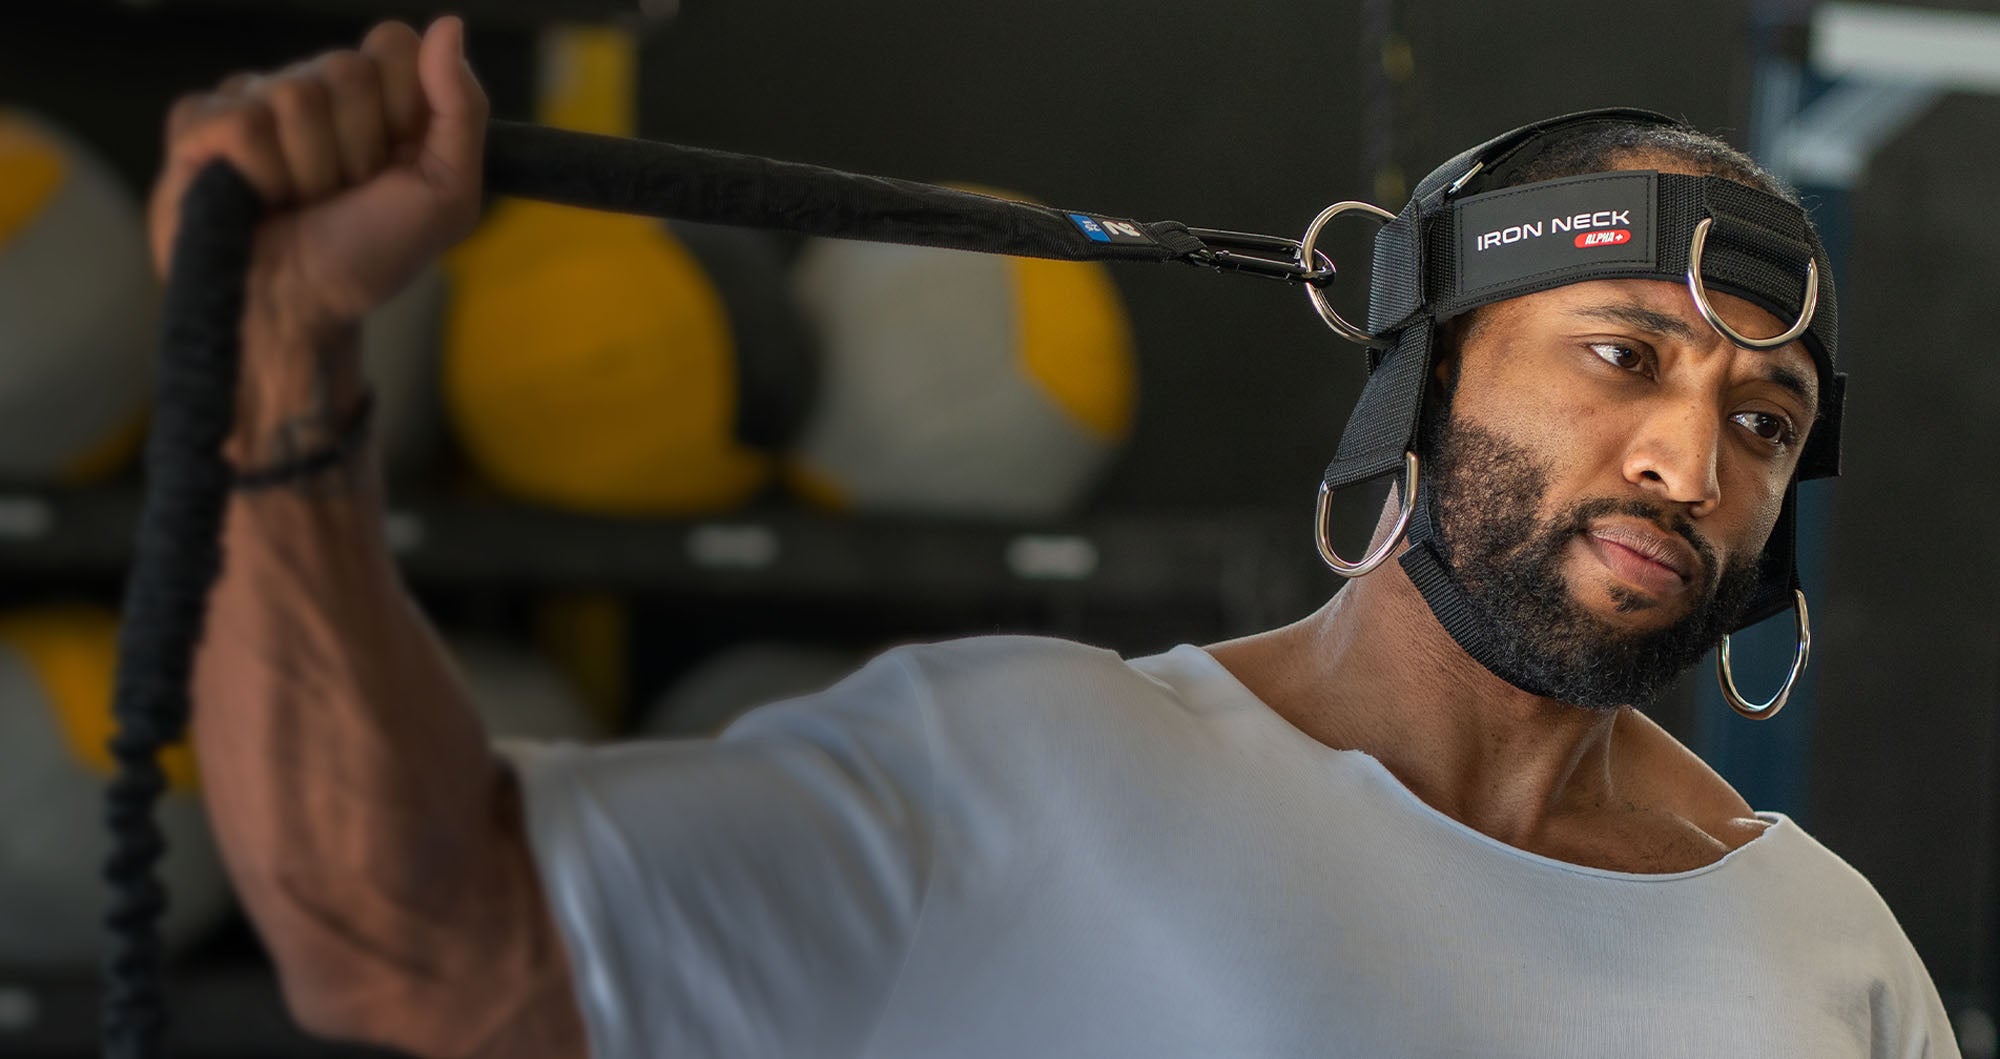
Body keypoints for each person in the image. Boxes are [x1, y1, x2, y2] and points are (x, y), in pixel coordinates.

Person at [157, 16, 1956, 1059]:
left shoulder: (1826, 954)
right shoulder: (1037, 773)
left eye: (1763, 420)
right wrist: (279, 352)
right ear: (1419, 372)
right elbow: (395, 935)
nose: (1688, 458)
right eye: (1625, 354)